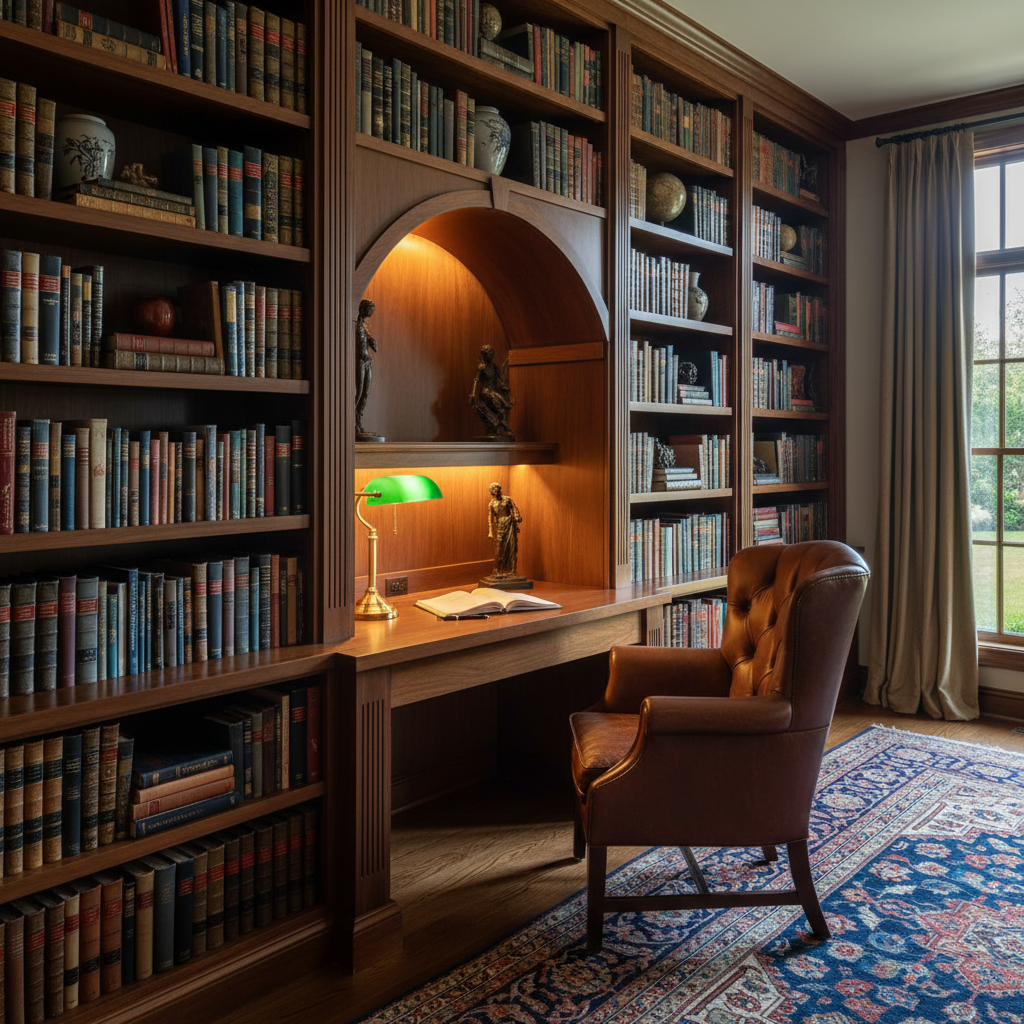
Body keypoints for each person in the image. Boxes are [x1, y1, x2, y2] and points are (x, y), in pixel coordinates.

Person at [468, 344, 515, 441]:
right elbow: (476, 380)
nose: (489, 356)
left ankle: (503, 429)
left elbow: (500, 379)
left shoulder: (494, 367)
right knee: (497, 404)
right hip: (486, 391)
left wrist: (504, 386)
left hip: (494, 390)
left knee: (503, 405)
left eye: (491, 354)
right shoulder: (481, 367)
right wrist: (473, 393)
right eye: (487, 354)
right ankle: (504, 427)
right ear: (484, 355)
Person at [486, 482, 523, 578]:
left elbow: (514, 509)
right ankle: (497, 571)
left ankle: (512, 571)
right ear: (491, 492)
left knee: (513, 546)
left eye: (497, 488)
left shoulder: (507, 499)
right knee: (500, 548)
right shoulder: (492, 504)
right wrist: (491, 532)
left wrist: (517, 516)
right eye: (494, 489)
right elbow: (490, 519)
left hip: (510, 524)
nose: (496, 490)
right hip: (500, 527)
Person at [355, 298, 378, 438]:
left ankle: (358, 422)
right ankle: (353, 423)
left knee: (365, 393)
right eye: (369, 309)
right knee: (358, 392)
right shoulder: (354, 323)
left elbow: (368, 338)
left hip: (366, 360)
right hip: (358, 360)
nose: (371, 312)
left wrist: (372, 340)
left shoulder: (364, 325)